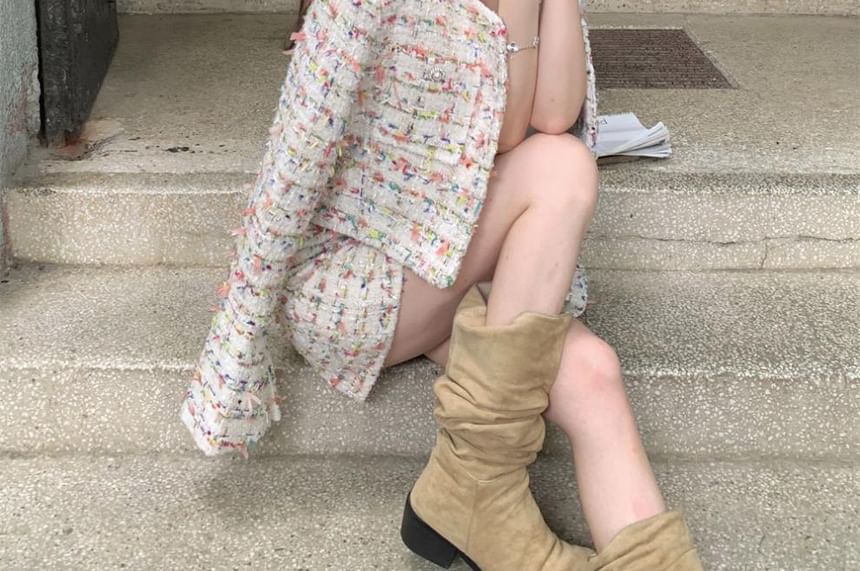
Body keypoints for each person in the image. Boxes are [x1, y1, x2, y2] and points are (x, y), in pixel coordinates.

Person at [180, 1, 704, 569]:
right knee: (562, 167)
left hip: (447, 259)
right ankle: (475, 487)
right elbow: (297, 158)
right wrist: (239, 339)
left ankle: (480, 494)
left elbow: (555, 113)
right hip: (355, 276)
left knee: (592, 371)